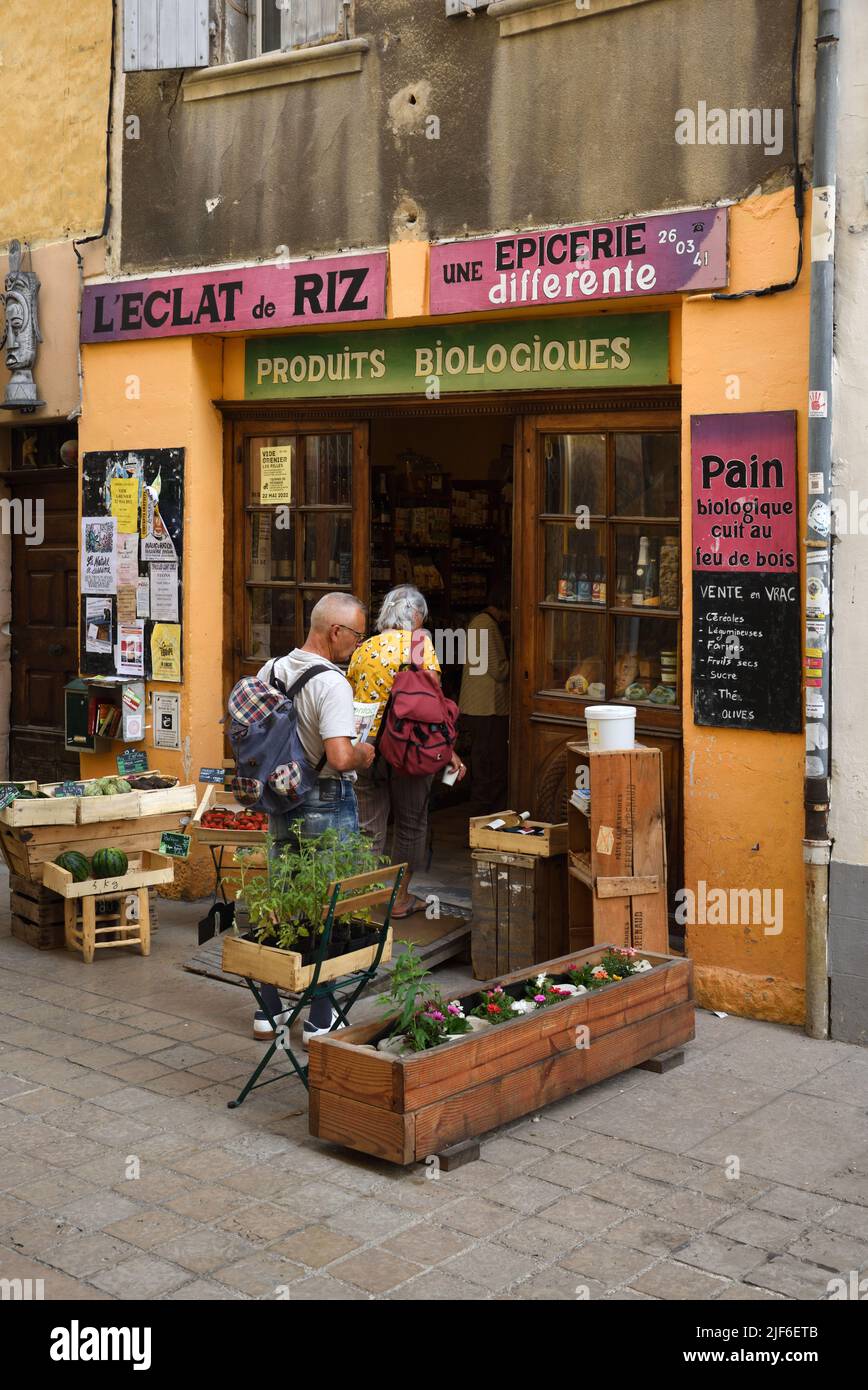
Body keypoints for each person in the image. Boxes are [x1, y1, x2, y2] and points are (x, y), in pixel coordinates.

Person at [252, 592, 374, 1044]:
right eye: (358, 635)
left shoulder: (272, 669)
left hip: (282, 797)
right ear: (335, 631)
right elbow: (341, 757)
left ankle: (268, 1008)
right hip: (324, 797)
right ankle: (322, 1017)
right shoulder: (333, 684)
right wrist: (366, 751)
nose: (359, 645)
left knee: (283, 897)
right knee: (329, 905)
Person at [348, 585, 465, 918]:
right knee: (411, 823)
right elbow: (433, 709)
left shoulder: (363, 648)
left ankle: (363, 902)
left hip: (366, 749)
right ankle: (399, 898)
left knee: (369, 827)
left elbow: (351, 697)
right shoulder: (419, 646)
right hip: (410, 749)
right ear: (415, 616)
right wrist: (450, 752)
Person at [459, 578, 510, 817]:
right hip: (487, 708)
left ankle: (482, 817)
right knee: (489, 767)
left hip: (478, 707)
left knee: (484, 764)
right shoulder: (486, 625)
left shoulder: (478, 622)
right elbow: (498, 670)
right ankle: (483, 818)